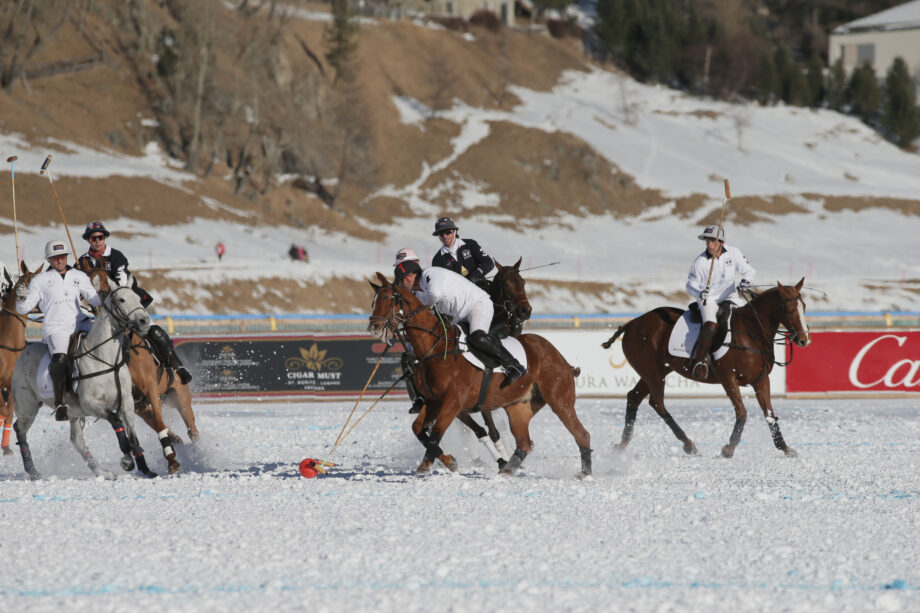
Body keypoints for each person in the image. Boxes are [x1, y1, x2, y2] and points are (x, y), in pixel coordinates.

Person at [78, 221, 192, 385]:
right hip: (98, 309)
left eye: (100, 237)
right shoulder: (82, 262)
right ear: (88, 239)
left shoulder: (116, 256)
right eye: (93, 237)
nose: (97, 240)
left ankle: (177, 366)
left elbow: (122, 284)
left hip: (126, 303)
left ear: (105, 238)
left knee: (153, 331)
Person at [394, 260, 525, 389]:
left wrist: (425, 308)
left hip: (477, 304)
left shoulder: (429, 273)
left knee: (477, 336)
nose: (401, 285)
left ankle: (513, 365)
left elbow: (435, 294)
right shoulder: (418, 293)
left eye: (401, 281)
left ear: (410, 276)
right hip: (458, 317)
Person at [16, 240, 102, 421]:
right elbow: (24, 308)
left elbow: (95, 300)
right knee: (60, 360)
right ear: (49, 259)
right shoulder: (40, 280)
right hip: (57, 328)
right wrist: (21, 297)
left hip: (81, 322)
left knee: (107, 338)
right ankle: (61, 402)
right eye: (55, 258)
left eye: (62, 256)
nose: (60, 260)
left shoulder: (78, 275)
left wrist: (103, 291)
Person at [685, 225, 755, 379]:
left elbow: (749, 270)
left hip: (730, 295)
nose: (709, 244)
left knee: (748, 319)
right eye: (707, 241)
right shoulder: (700, 262)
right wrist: (699, 293)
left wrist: (745, 281)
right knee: (710, 325)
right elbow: (690, 285)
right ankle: (700, 361)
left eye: (713, 241)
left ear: (721, 243)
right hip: (708, 299)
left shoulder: (733, 252)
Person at [431, 217, 494, 292]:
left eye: (448, 232)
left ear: (454, 231)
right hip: (459, 298)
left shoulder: (470, 244)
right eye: (441, 234)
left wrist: (475, 275)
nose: (445, 236)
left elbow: (488, 262)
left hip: (482, 290)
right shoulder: (437, 260)